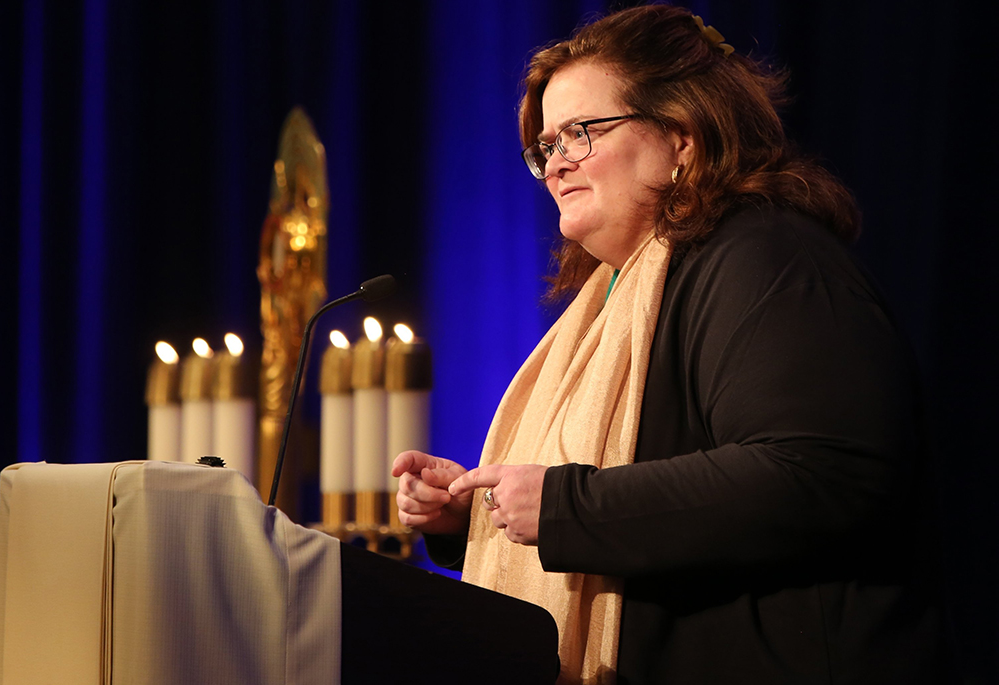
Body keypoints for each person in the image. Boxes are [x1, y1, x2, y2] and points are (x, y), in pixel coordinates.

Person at [392, 5, 947, 684]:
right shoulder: (611, 300)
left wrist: (568, 507)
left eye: (582, 133)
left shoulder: (764, 255)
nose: (557, 164)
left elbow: (822, 471)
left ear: (683, 137)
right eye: (547, 147)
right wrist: (476, 513)